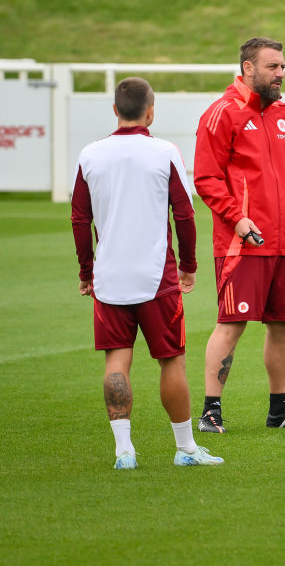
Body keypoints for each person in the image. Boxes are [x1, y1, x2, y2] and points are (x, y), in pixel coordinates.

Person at [71, 77, 222, 468]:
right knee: (171, 360)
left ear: (115, 110)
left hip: (109, 279)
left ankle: (125, 452)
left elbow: (79, 218)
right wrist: (189, 266)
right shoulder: (163, 151)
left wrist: (87, 271)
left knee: (116, 363)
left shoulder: (90, 154)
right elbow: (185, 214)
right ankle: (186, 449)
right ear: (151, 110)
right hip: (156, 278)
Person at [193, 37, 285, 433]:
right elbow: (206, 178)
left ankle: (279, 410)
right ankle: (211, 410)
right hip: (242, 243)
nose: (281, 73)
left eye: (282, 66)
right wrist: (237, 218)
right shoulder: (221, 113)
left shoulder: (284, 114)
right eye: (272, 67)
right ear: (248, 68)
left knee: (283, 325)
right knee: (232, 323)